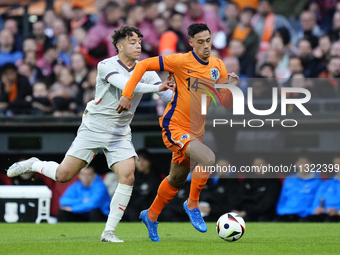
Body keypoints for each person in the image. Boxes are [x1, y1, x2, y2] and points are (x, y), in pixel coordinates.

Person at [7, 26, 173, 242]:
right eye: (132, 42)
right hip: (93, 128)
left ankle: (109, 232)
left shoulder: (147, 71)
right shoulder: (106, 65)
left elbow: (168, 96)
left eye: (139, 41)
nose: (138, 45)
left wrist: (184, 96)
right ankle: (33, 163)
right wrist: (156, 89)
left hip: (119, 132)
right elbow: (125, 85)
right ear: (119, 46)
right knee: (63, 175)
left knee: (128, 176)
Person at [116, 23, 239, 242]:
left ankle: (150, 215)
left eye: (208, 40)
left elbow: (226, 104)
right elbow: (143, 64)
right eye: (200, 42)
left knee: (176, 179)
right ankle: (192, 204)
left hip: (196, 131)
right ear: (191, 43)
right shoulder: (180, 61)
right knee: (209, 158)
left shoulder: (218, 66)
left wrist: (231, 88)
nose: (206, 46)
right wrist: (127, 93)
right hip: (175, 126)